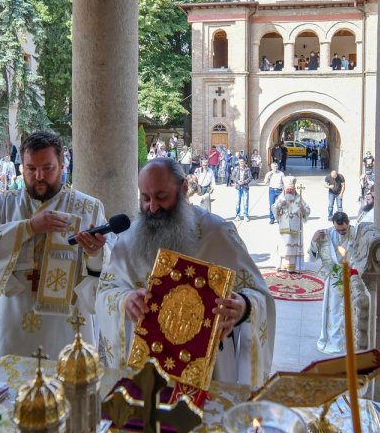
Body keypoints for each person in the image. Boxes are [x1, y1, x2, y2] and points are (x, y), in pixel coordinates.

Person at [95, 158, 275, 385]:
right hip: (146, 368)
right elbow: (106, 290)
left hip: (211, 367)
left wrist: (244, 307)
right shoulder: (130, 239)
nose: (152, 207)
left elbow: (260, 295)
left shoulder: (217, 233)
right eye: (145, 198)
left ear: (184, 189)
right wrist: (125, 300)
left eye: (161, 197)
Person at [0, 131, 109, 362]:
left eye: (48, 168)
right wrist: (28, 227)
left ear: (62, 166)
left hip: (68, 324)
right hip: (15, 316)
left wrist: (95, 253)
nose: (39, 176)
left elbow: (108, 268)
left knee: (68, 389)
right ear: (22, 168)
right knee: (13, 387)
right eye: (31, 169)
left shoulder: (88, 207)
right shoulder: (5, 204)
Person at [309, 212, 370, 353]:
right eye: (338, 230)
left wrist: (353, 269)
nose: (341, 232)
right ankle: (335, 340)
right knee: (334, 310)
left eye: (344, 229)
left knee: (350, 309)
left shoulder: (356, 234)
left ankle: (349, 341)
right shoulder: (327, 234)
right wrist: (313, 241)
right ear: (333, 225)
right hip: (334, 277)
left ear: (348, 223)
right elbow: (313, 255)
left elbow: (361, 254)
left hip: (352, 275)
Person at [273, 178, 310, 273]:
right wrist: (280, 205)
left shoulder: (299, 198)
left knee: (294, 247)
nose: (289, 191)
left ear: (294, 190)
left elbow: (307, 210)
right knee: (283, 246)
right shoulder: (281, 198)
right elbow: (274, 209)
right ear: (284, 190)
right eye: (288, 190)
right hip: (284, 227)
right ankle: (282, 265)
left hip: (296, 226)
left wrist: (303, 209)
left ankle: (295, 267)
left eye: (291, 190)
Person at [232, 155, 252, 221]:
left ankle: (246, 215)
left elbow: (250, 177)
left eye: (242, 161)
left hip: (245, 187)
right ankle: (238, 215)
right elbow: (232, 176)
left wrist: (244, 182)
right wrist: (237, 181)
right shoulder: (236, 168)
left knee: (245, 202)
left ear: (244, 162)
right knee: (238, 202)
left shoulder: (247, 169)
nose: (241, 162)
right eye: (240, 161)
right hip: (238, 187)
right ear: (238, 162)